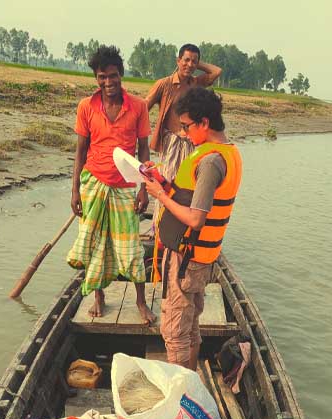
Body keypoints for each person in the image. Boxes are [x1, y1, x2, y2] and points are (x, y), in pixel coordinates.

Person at [143, 87, 242, 371]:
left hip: (188, 259)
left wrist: (159, 197)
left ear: (204, 123)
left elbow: (196, 219)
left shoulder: (211, 161)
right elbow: (189, 195)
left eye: (187, 126)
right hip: (201, 258)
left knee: (175, 332)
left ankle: (181, 399)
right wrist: (163, 182)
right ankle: (191, 381)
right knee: (190, 325)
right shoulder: (227, 152)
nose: (184, 133)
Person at [67, 45, 156, 324]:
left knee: (130, 246)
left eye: (113, 76)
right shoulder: (86, 107)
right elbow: (80, 151)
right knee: (95, 245)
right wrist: (75, 192)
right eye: (102, 77)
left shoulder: (138, 107)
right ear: (96, 78)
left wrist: (144, 187)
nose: (108, 83)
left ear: (121, 75)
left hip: (125, 186)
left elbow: (143, 151)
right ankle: (99, 297)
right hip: (93, 184)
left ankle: (141, 302)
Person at [146, 44, 222, 184]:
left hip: (192, 141)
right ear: (178, 61)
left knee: (189, 183)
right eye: (186, 60)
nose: (190, 64)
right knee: (167, 181)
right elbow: (144, 108)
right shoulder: (164, 84)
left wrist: (197, 64)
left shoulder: (196, 83)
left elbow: (216, 71)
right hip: (172, 142)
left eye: (194, 61)